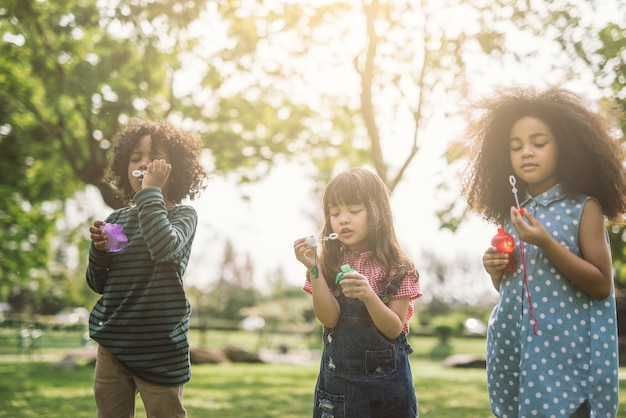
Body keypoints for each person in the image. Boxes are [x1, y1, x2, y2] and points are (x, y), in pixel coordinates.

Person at [461, 86, 626, 418]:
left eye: (539, 143)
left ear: (565, 148)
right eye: (516, 146)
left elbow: (600, 285)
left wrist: (545, 243)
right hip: (520, 355)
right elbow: (515, 289)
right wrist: (496, 271)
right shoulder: (515, 213)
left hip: (566, 363)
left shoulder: (583, 208)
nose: (526, 152)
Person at [86, 118, 207, 418]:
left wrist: (150, 192)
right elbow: (98, 282)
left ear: (174, 168)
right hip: (114, 344)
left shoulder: (183, 216)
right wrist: (99, 251)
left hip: (160, 348)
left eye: (154, 158)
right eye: (135, 158)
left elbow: (163, 246)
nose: (144, 164)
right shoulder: (117, 219)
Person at [293, 168, 422, 418]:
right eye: (335, 212)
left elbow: (394, 329)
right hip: (337, 388)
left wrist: (368, 295)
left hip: (387, 392)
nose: (343, 219)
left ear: (377, 214)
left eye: (353, 211)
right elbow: (329, 319)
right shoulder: (328, 265)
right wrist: (315, 269)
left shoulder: (397, 268)